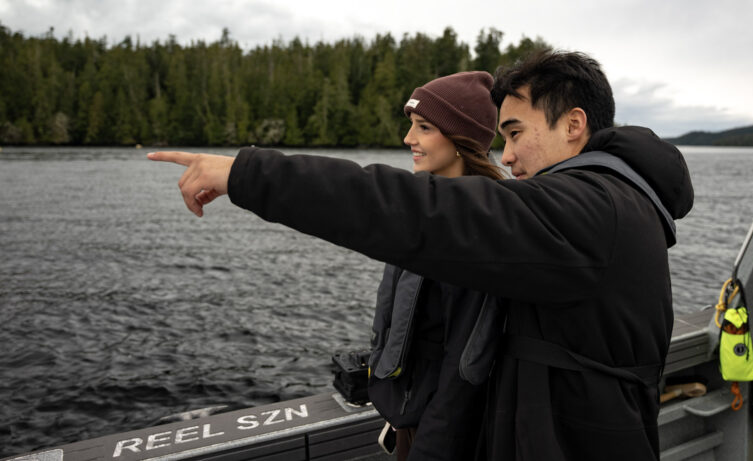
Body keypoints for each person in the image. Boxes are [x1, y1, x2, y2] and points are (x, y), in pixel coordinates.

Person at [148, 49, 694, 460]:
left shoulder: (590, 213)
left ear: (574, 126)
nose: (506, 155)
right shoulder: (604, 206)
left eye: (515, 133)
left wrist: (247, 174)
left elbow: (416, 213)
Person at [367, 71, 505, 460]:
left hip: (442, 436)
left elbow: (466, 367)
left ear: (462, 141)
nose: (408, 139)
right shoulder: (428, 214)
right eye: (412, 125)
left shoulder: (474, 234)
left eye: (424, 127)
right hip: (411, 414)